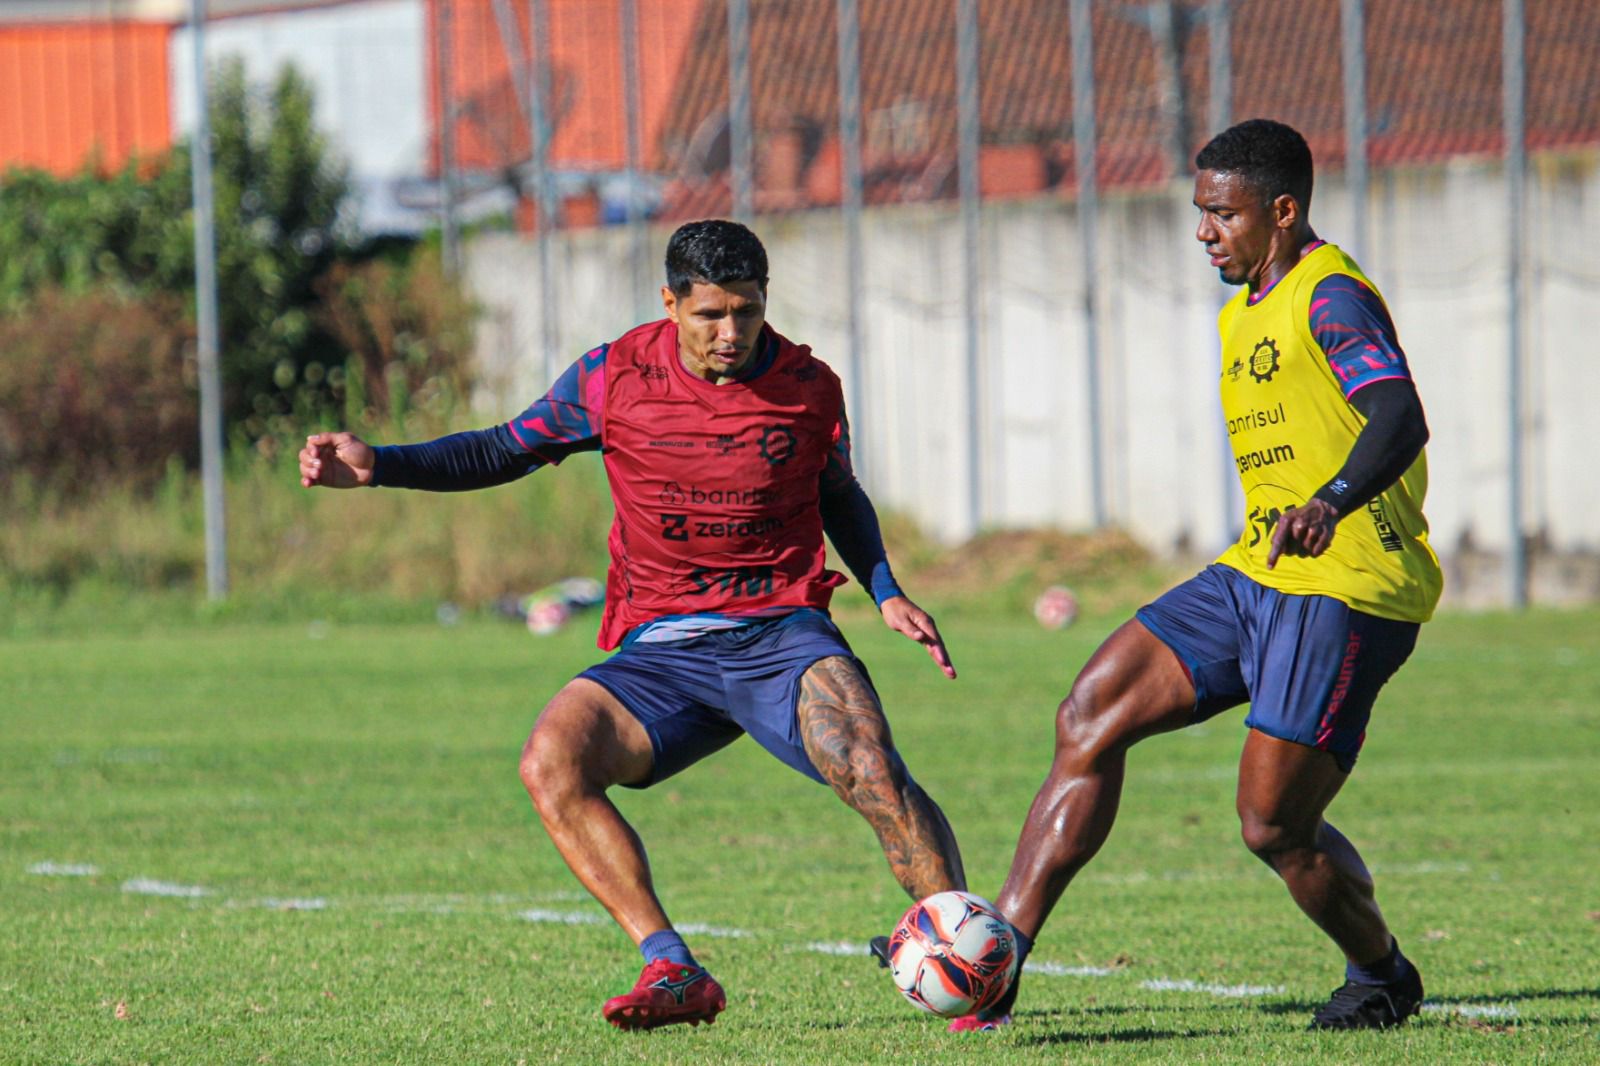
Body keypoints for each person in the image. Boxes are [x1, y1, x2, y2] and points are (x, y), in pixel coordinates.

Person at [300, 219, 967, 1031]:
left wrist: (885, 587)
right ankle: (672, 967)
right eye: (711, 314)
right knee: (551, 764)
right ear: (670, 302)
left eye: (749, 312)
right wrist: (381, 465)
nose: (732, 333)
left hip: (779, 631)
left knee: (869, 764)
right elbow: (503, 449)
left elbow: (838, 493)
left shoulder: (807, 385)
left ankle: (970, 966)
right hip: (662, 651)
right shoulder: (612, 378)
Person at [948, 119, 1442, 1033]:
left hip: (1346, 585)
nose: (1205, 232)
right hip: (1256, 571)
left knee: (1272, 826)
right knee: (1090, 711)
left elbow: (1398, 415)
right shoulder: (1241, 308)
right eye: (1199, 214)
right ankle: (997, 958)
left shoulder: (1329, 297)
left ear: (1283, 211)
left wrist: (1330, 501)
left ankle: (1381, 974)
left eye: (1224, 214)